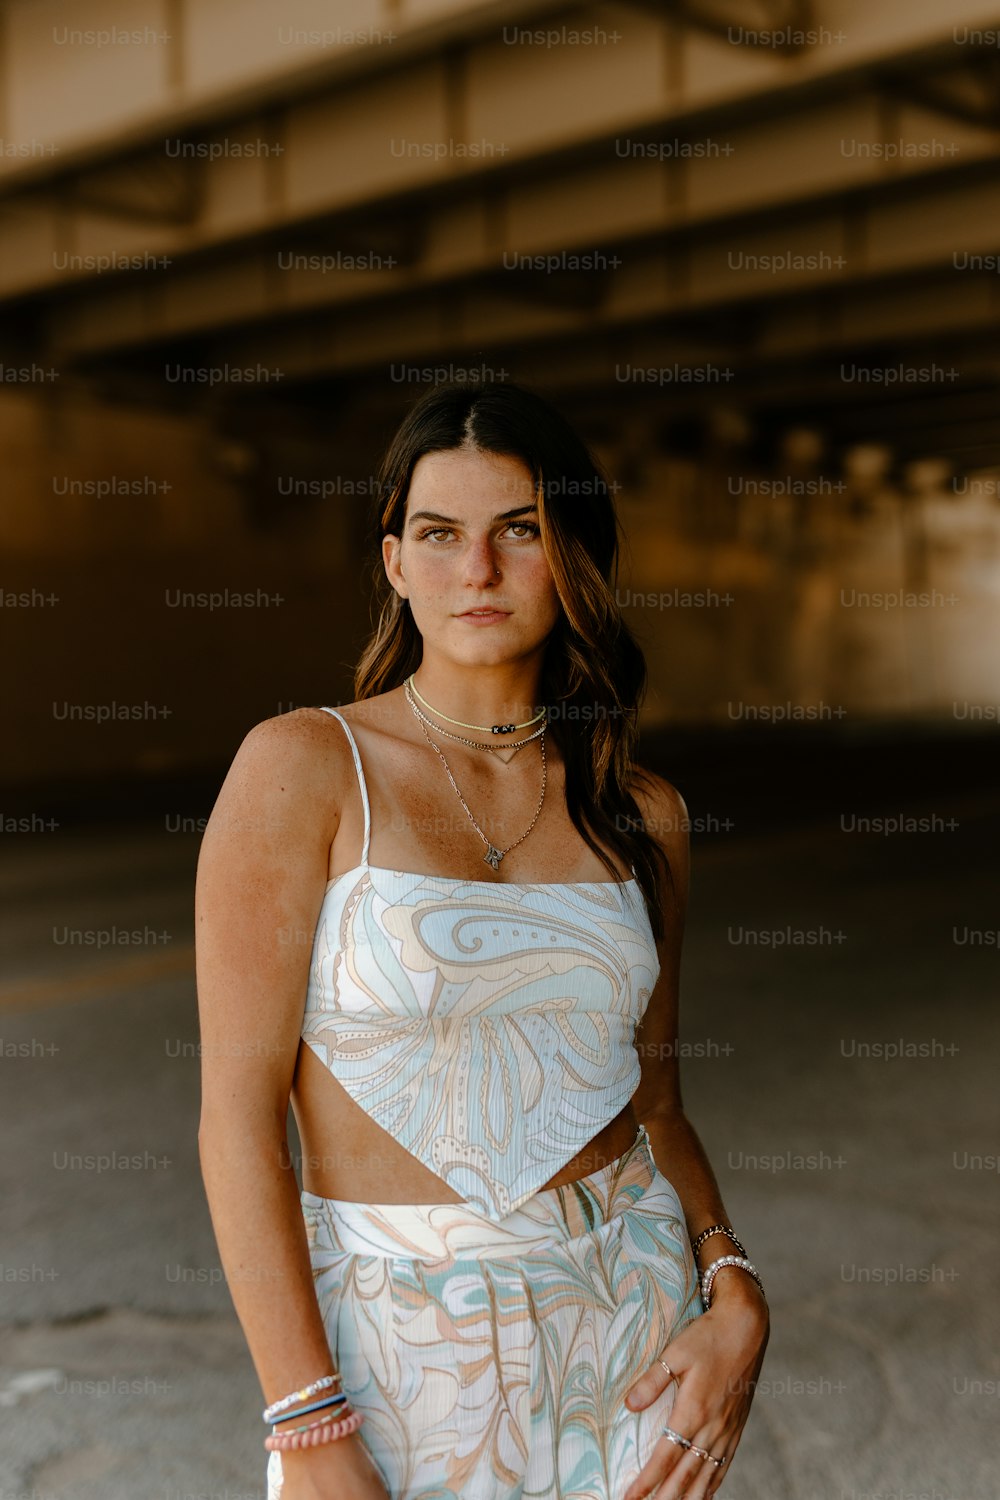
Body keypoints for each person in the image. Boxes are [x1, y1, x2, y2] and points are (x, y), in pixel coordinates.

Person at [195, 380, 769, 1500]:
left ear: (575, 556)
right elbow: (236, 1114)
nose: (478, 570)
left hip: (635, 1340)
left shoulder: (640, 811)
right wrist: (306, 1423)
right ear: (396, 563)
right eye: (439, 534)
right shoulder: (304, 767)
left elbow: (654, 1103)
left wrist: (734, 1284)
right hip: (394, 1360)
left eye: (520, 531)